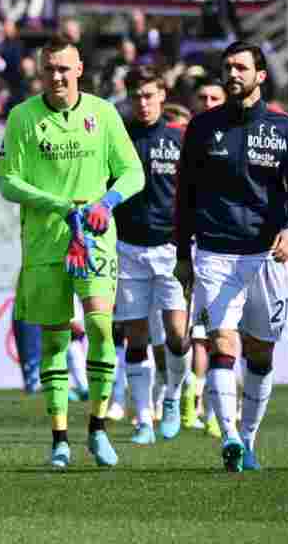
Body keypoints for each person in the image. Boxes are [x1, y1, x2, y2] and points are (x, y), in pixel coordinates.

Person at [0, 35, 144, 469]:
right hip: (46, 241)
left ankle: (97, 428)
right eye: (49, 69)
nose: (57, 76)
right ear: (40, 72)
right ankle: (59, 437)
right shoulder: (23, 117)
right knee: (55, 339)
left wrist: (106, 203)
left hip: (95, 237)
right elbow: (8, 180)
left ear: (79, 69)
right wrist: (59, 205)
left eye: (64, 68)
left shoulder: (104, 113)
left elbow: (132, 172)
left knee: (100, 327)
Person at [174, 41, 288, 472]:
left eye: (240, 67)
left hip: (266, 257)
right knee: (222, 341)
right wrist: (183, 253)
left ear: (260, 75)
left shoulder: (285, 128)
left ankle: (248, 438)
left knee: (260, 353)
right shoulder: (201, 128)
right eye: (226, 68)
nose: (231, 74)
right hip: (214, 252)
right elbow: (185, 197)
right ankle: (230, 438)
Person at [113, 65, 191, 444]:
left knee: (177, 336)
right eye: (137, 96)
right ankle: (144, 419)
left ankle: (173, 397)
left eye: (150, 95)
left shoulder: (180, 140)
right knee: (136, 339)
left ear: (163, 94)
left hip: (170, 249)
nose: (143, 103)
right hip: (127, 248)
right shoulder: (120, 140)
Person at [187, 76, 227, 435]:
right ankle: (196, 401)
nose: (210, 102)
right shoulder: (192, 139)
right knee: (203, 334)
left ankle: (217, 408)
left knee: (232, 336)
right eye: (204, 97)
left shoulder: (243, 136)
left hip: (246, 249)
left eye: (216, 96)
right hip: (203, 249)